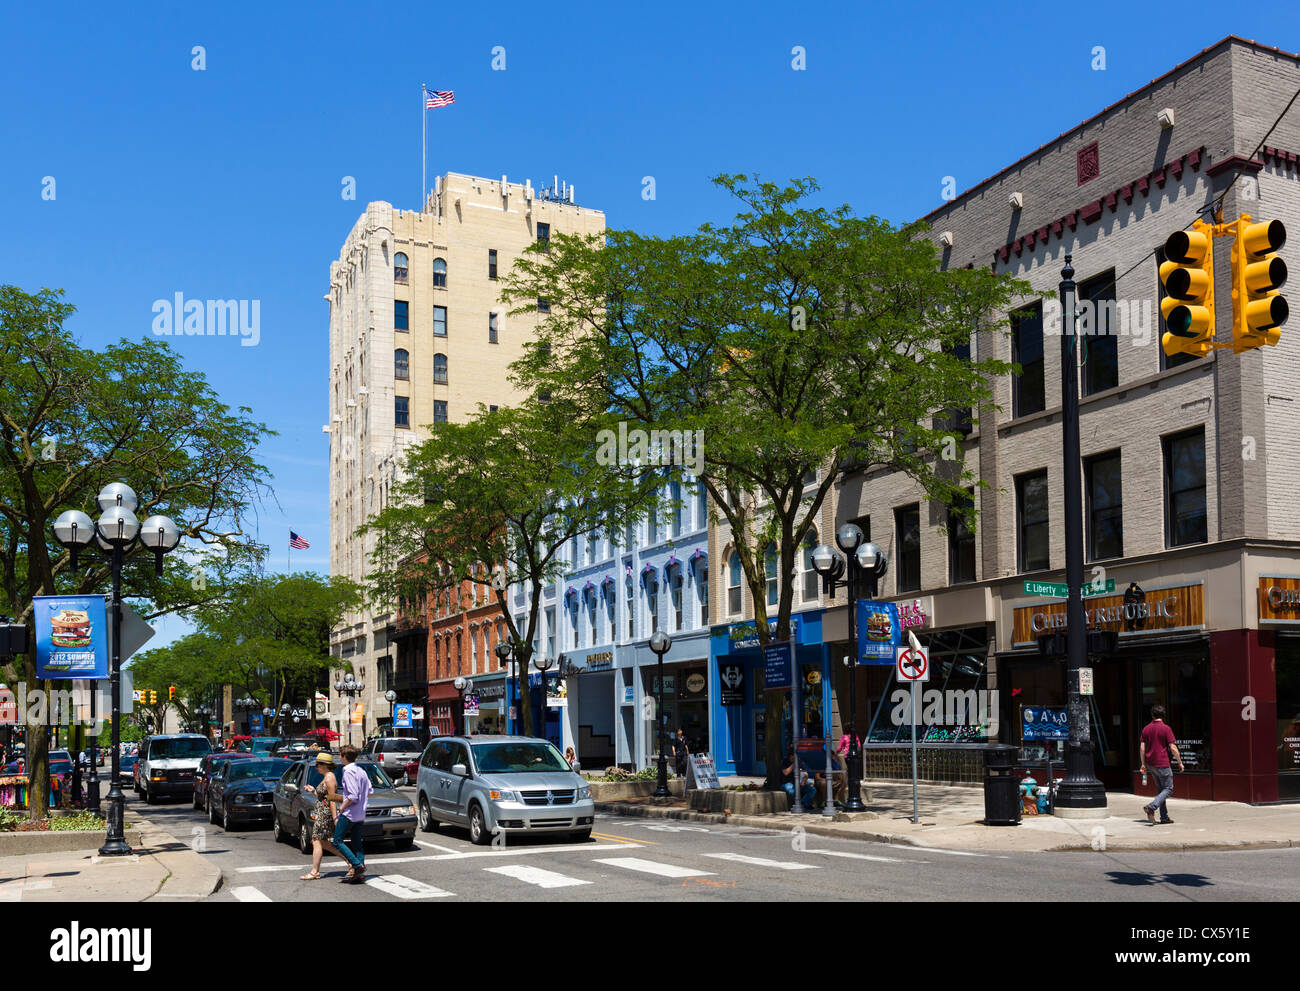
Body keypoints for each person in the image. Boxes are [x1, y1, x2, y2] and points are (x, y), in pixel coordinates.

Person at [299, 753, 343, 881]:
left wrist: (335, 818)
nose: (316, 767)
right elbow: (322, 796)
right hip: (322, 813)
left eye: (318, 765)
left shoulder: (330, 778)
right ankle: (351, 862)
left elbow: (333, 799)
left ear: (324, 765)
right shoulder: (326, 777)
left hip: (325, 814)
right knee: (325, 843)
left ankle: (315, 871)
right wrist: (313, 790)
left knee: (316, 840)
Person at [1139, 704, 1184, 825]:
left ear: (1152, 715)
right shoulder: (1166, 728)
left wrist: (1143, 764)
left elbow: (1142, 748)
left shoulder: (1146, 729)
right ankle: (1152, 806)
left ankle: (1164, 817)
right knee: (1168, 789)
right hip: (1162, 763)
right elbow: (1173, 748)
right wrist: (1180, 762)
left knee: (1161, 792)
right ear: (1163, 715)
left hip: (1151, 764)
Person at [334, 745, 372, 884]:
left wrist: (341, 808)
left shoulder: (348, 771)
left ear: (344, 757)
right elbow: (370, 790)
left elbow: (353, 795)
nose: (339, 758)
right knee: (356, 843)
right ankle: (359, 874)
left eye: (340, 755)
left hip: (350, 813)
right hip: (360, 813)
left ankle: (357, 866)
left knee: (337, 840)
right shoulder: (361, 770)